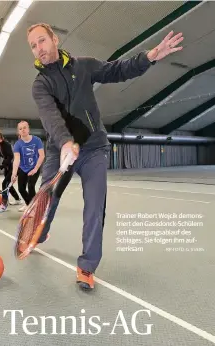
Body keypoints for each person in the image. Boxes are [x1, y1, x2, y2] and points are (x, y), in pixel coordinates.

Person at [27, 23, 184, 290]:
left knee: (95, 208)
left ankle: (87, 267)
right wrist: (65, 143)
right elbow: (51, 117)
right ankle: (39, 233)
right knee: (47, 197)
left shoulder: (83, 66)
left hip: (93, 148)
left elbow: (117, 70)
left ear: (54, 39)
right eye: (33, 45)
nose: (39, 48)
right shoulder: (40, 84)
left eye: (42, 41)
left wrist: (150, 56)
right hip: (59, 150)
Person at [11, 121, 45, 212]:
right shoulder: (18, 144)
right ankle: (29, 204)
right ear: (18, 131)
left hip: (34, 167)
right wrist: (14, 174)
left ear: (28, 129)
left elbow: (42, 155)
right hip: (23, 168)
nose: (23, 130)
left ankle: (34, 209)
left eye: (24, 127)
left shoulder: (37, 140)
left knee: (31, 186)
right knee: (21, 189)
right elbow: (17, 159)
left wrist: (35, 169)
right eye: (20, 129)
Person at [0, 128, 22, 211]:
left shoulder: (6, 145)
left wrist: (1, 167)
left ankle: (3, 205)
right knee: (8, 185)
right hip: (8, 167)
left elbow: (10, 157)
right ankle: (18, 200)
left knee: (5, 184)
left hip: (14, 167)